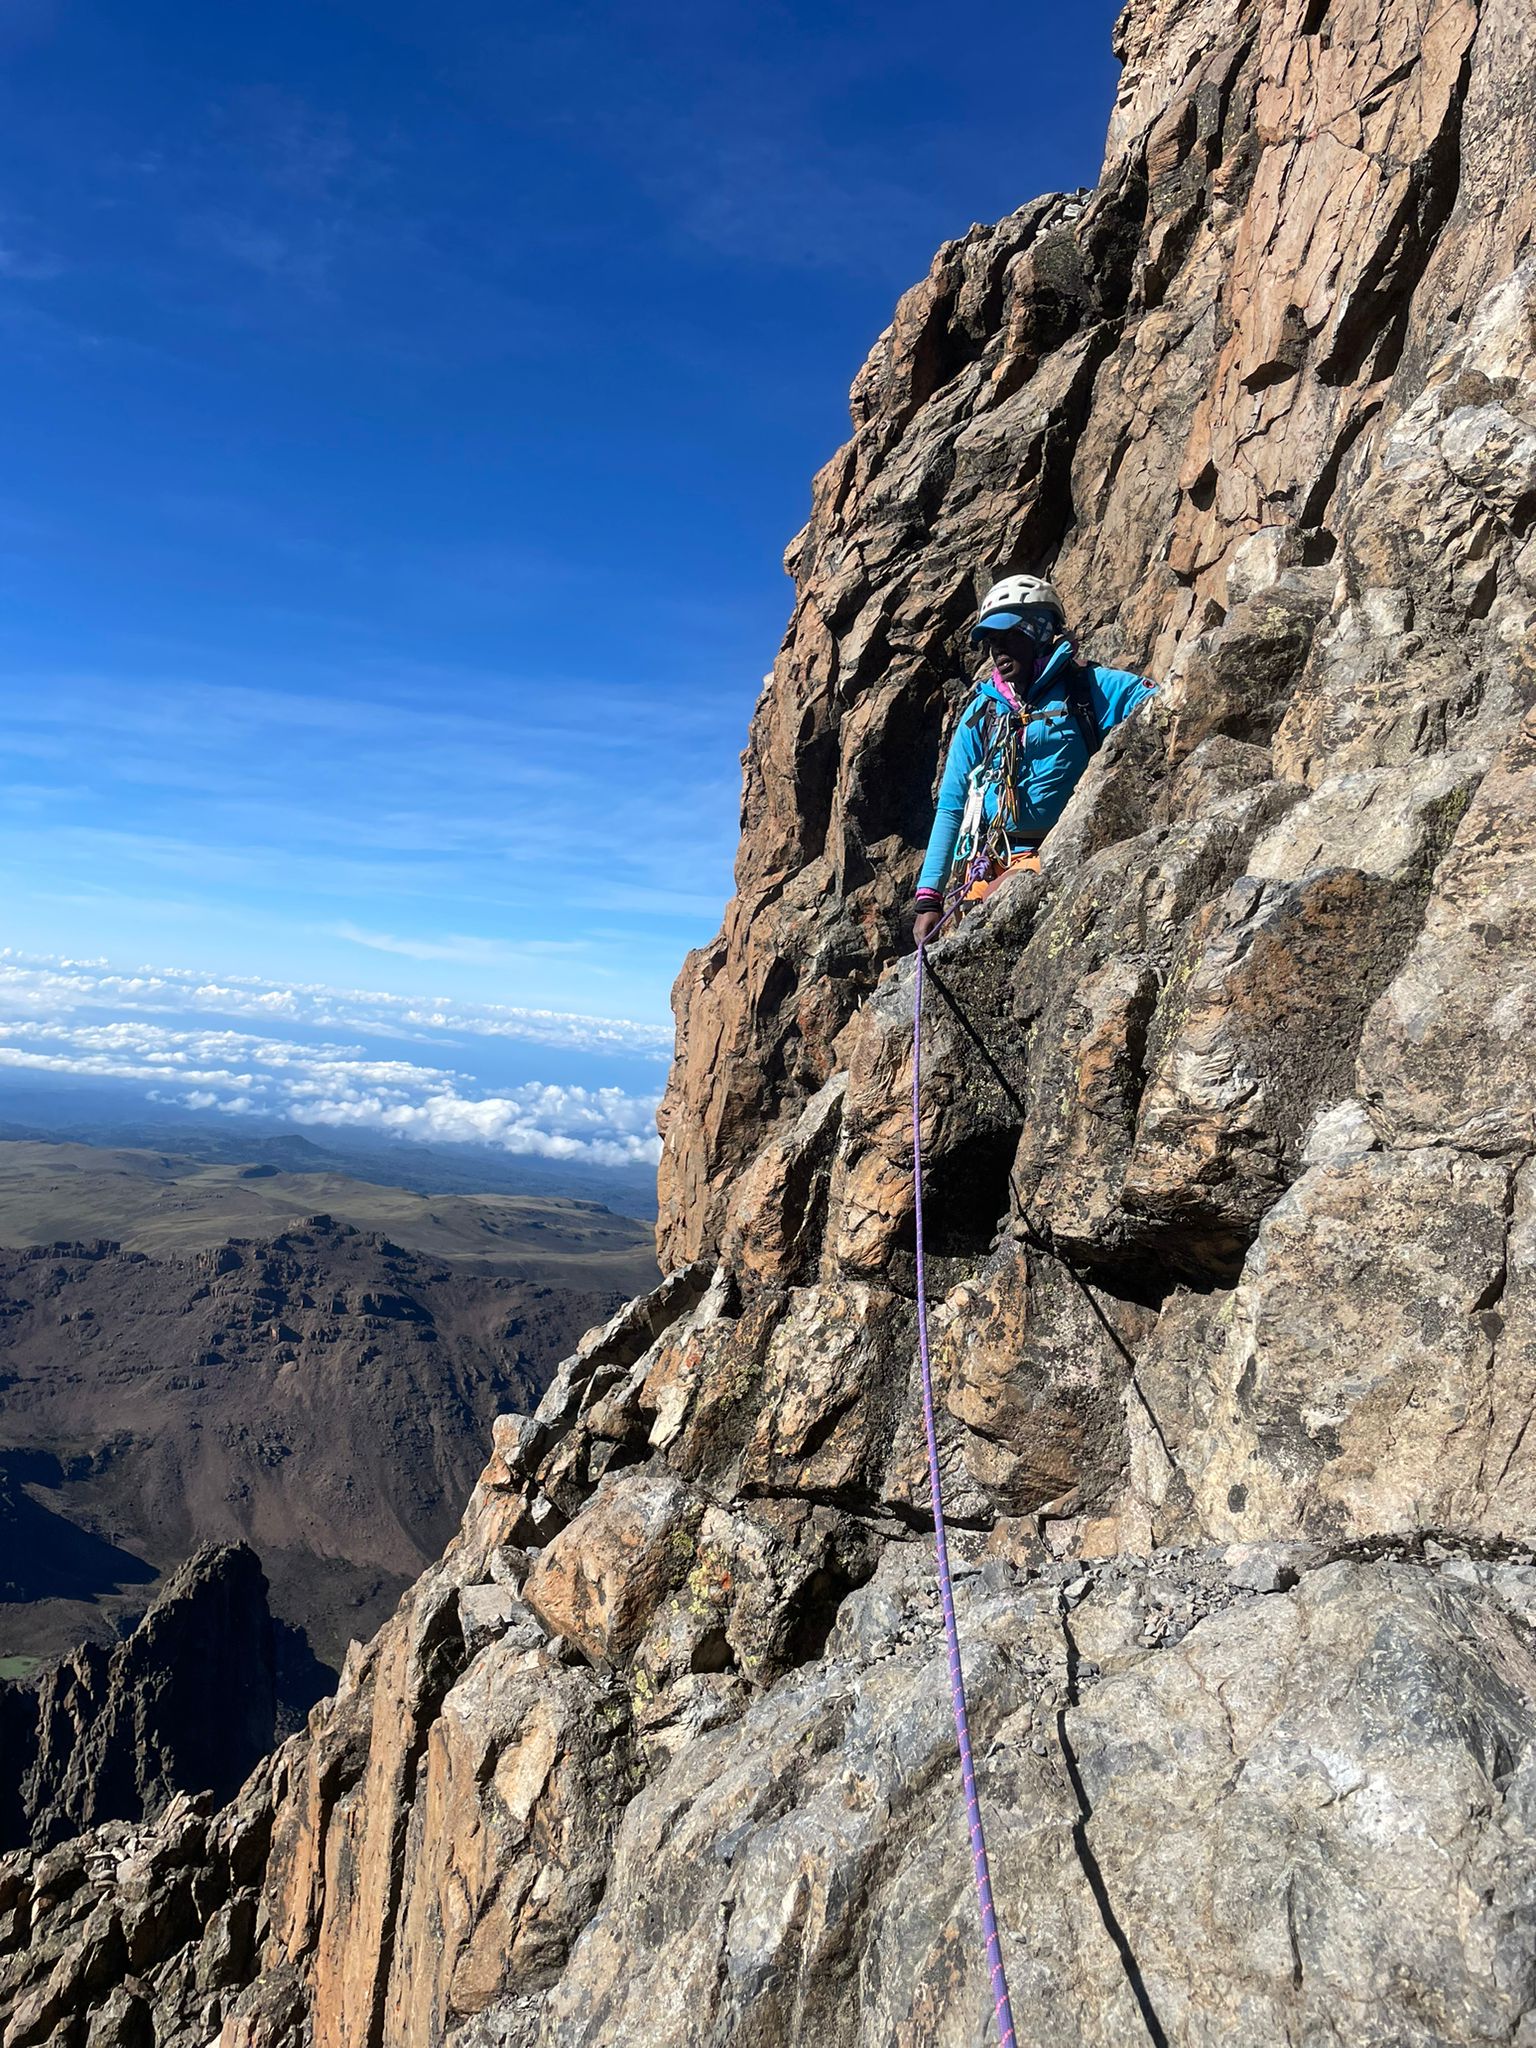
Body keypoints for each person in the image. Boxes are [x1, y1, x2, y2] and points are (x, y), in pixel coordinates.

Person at [911, 576, 1156, 946]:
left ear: (1041, 630)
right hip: (989, 859)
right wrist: (929, 897)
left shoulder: (1087, 688)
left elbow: (1161, 703)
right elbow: (952, 805)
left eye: (1008, 636)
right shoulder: (982, 711)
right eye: (992, 641)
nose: (998, 650)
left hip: (1059, 852)